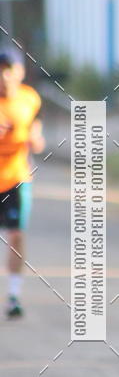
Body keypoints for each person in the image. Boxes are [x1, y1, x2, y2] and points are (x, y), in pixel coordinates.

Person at [0, 50, 44, 319]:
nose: (4, 75)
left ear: (20, 72)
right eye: (0, 70)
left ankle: (14, 295)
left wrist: (35, 139)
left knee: (16, 235)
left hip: (16, 179)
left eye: (9, 69)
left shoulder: (30, 99)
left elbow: (35, 131)